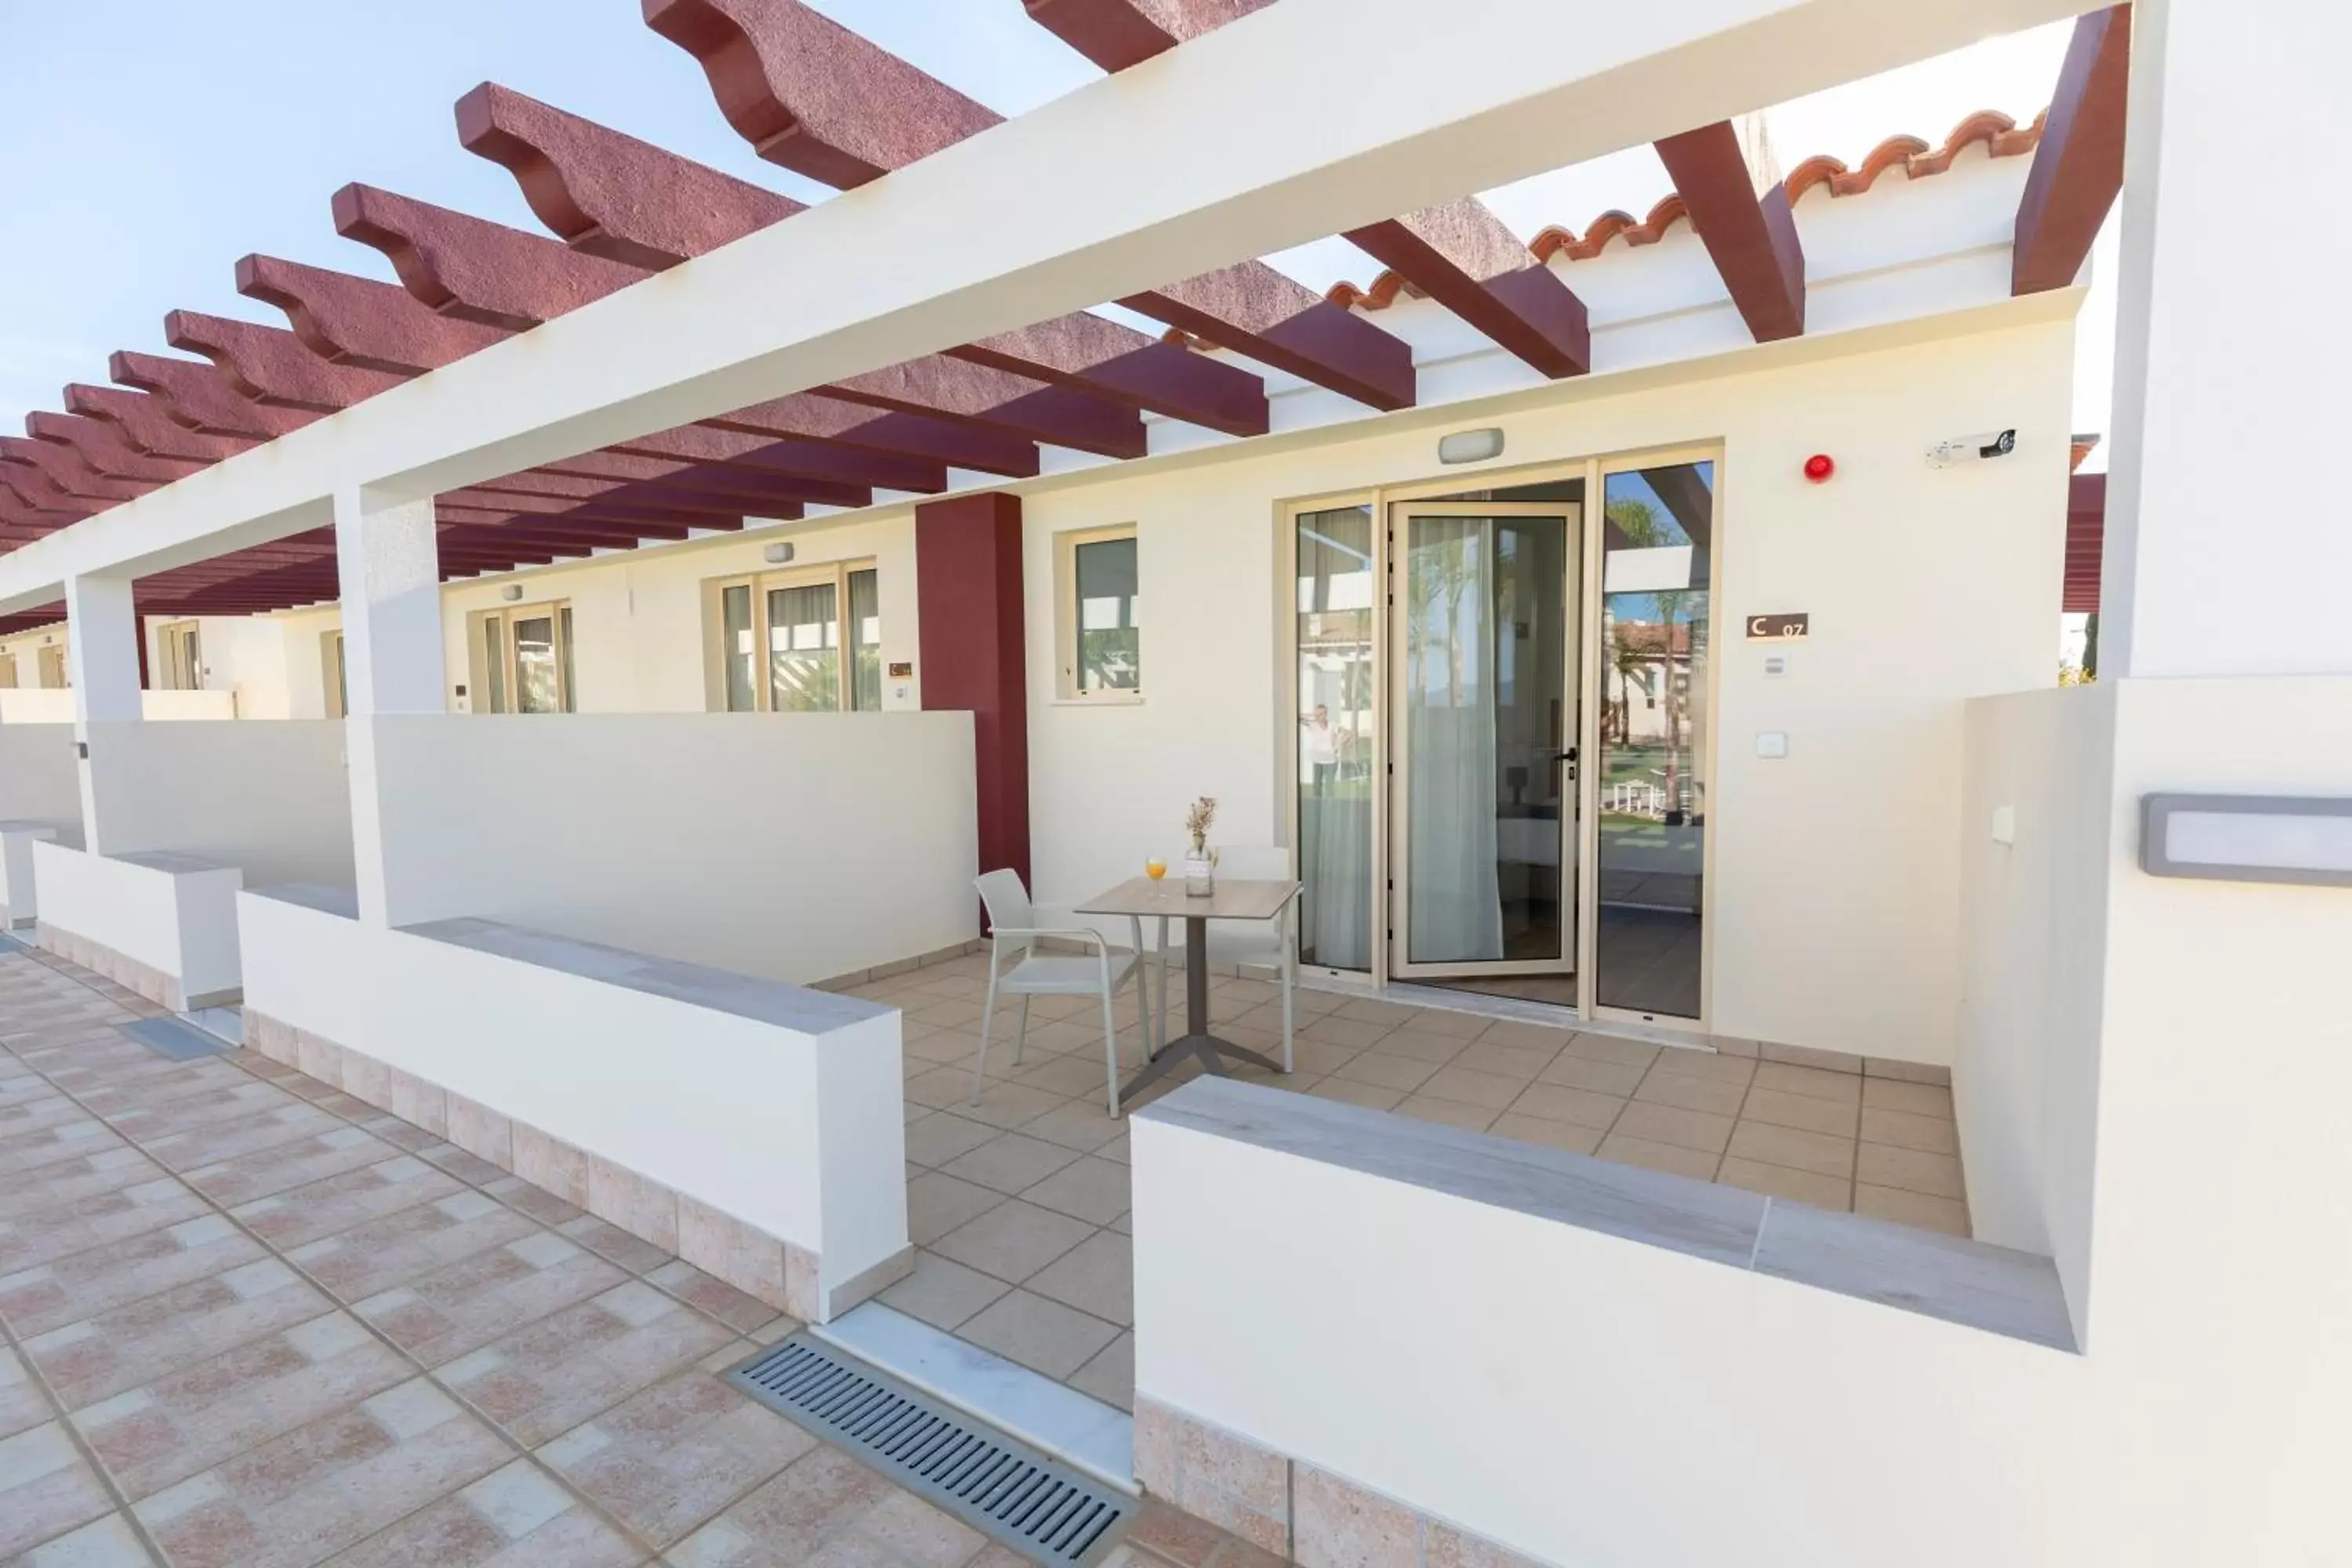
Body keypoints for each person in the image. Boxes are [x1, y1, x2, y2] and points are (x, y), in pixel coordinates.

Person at [1301, 704, 1339, 789]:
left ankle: (1330, 803)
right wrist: (1312, 715)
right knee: (1317, 786)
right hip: (1318, 759)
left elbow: (1342, 733)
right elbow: (1299, 718)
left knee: (1329, 786)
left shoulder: (1332, 725)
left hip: (1330, 760)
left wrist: (1336, 747)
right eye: (1319, 714)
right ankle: (1317, 802)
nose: (1321, 716)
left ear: (1326, 714)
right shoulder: (1313, 725)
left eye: (1323, 713)